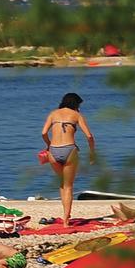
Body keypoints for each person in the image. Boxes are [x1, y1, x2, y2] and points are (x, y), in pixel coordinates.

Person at [40, 93, 97, 224]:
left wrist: (48, 145)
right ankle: (66, 219)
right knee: (69, 185)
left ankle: (65, 214)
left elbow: (43, 133)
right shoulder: (76, 115)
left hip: (53, 150)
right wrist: (92, 152)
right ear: (75, 104)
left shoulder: (53, 114)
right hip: (69, 150)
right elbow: (89, 136)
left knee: (62, 184)